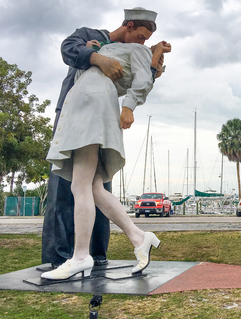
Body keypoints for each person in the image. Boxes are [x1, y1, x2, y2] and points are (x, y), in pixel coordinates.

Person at [41, 18, 172, 280]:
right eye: (141, 35)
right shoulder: (97, 42)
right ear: (129, 24)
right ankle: (139, 237)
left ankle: (80, 256)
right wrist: (95, 53)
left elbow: (144, 78)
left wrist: (130, 105)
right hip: (84, 108)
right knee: (93, 187)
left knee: (80, 185)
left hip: (92, 108)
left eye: (147, 39)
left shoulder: (137, 51)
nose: (142, 41)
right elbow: (71, 49)